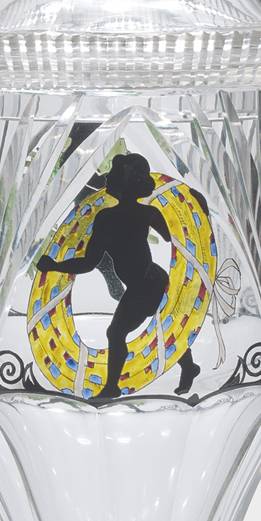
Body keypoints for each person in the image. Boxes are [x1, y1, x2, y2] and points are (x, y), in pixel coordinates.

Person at [37, 152, 199, 400]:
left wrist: (192, 206)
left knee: (120, 332)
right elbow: (89, 262)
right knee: (157, 324)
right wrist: (55, 266)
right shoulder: (108, 218)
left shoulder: (142, 214)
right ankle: (188, 366)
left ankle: (114, 386)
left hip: (149, 282)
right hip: (143, 283)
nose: (106, 178)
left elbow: (174, 237)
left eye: (112, 174)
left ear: (126, 183)